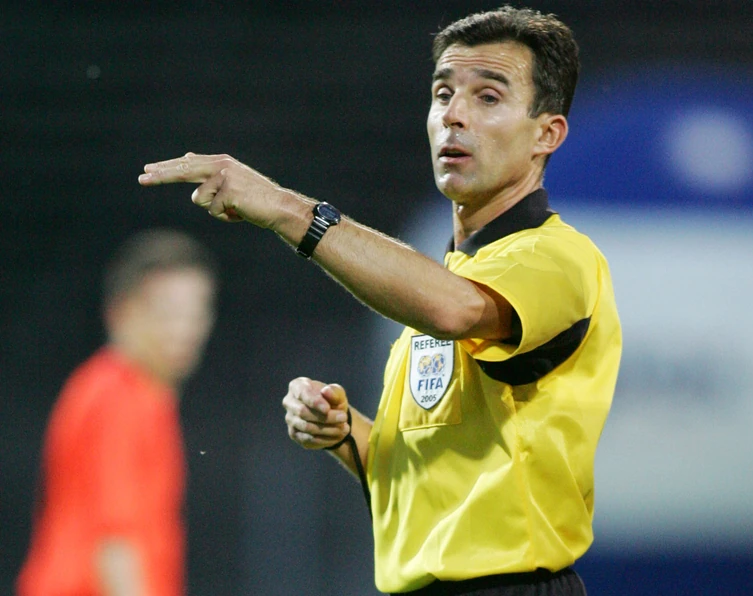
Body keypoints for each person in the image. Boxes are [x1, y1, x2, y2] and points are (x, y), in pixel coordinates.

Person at [138, 6, 621, 595]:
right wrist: (345, 434)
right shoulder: (450, 279)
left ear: (547, 134)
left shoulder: (558, 258)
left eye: (488, 97)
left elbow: (456, 311)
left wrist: (287, 209)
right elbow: (424, 488)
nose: (454, 114)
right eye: (443, 93)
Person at [17, 229, 218, 596]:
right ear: (121, 312)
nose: (185, 329)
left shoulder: (144, 397)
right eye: (168, 313)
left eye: (196, 313)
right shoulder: (117, 397)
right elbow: (115, 542)